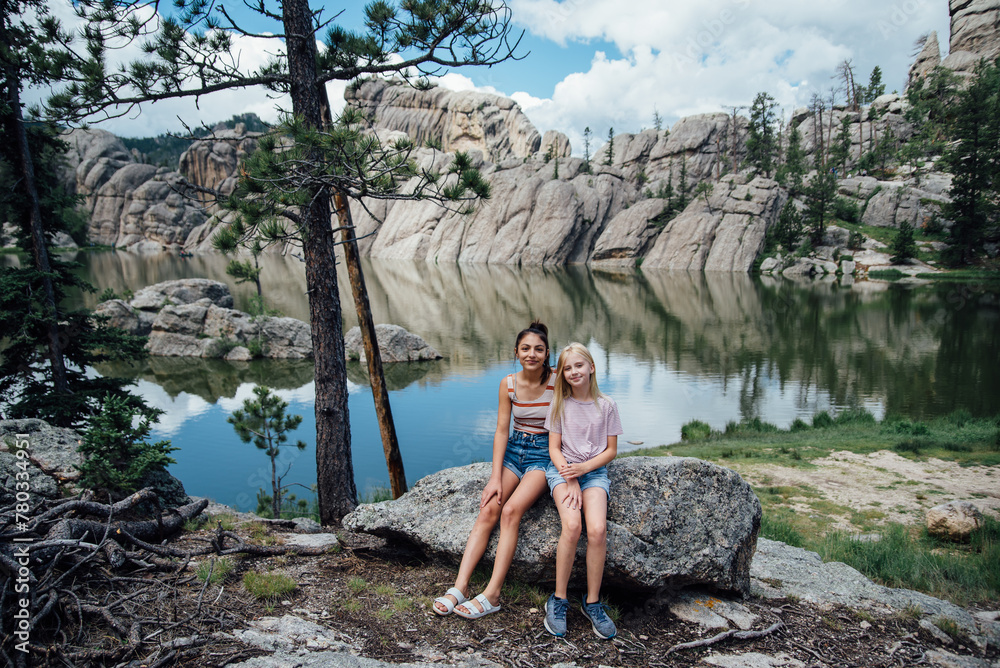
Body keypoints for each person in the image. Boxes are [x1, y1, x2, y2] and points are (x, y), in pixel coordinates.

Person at [432, 320, 556, 619]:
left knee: (511, 511)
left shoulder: (557, 382)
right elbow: (501, 431)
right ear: (516, 352)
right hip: (515, 450)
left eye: (538, 349)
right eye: (525, 348)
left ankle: (493, 594)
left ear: (547, 353)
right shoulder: (508, 383)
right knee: (489, 509)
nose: (531, 354)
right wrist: (495, 477)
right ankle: (460, 586)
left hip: (543, 455)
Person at [542, 342, 621, 639]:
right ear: (562, 374)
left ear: (591, 368)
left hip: (594, 473)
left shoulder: (607, 405)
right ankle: (559, 599)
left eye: (579, 365)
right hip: (563, 471)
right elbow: (554, 449)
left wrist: (584, 470)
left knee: (597, 529)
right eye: (567, 368)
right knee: (573, 526)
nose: (574, 372)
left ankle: (593, 602)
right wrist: (570, 477)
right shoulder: (559, 404)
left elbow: (611, 450)